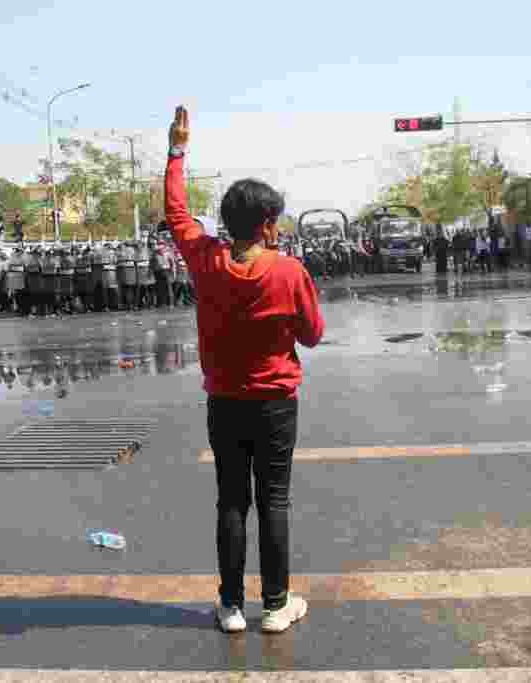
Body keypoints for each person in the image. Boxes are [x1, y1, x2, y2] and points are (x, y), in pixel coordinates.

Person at [164, 106, 323, 634]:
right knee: (273, 499)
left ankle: (231, 606)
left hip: (224, 402)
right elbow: (313, 334)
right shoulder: (289, 270)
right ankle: (276, 606)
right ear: (270, 225)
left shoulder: (206, 260)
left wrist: (177, 151)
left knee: (231, 500)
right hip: (276, 402)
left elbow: (177, 212)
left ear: (228, 224)